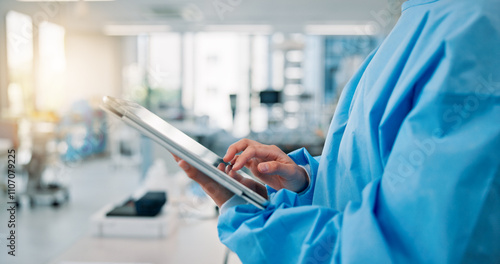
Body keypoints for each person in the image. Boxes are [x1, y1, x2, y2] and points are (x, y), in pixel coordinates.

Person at [174, 0, 500, 262]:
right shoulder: (418, 23)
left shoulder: (472, 32)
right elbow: (375, 175)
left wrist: (257, 226)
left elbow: (409, 247)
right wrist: (305, 184)